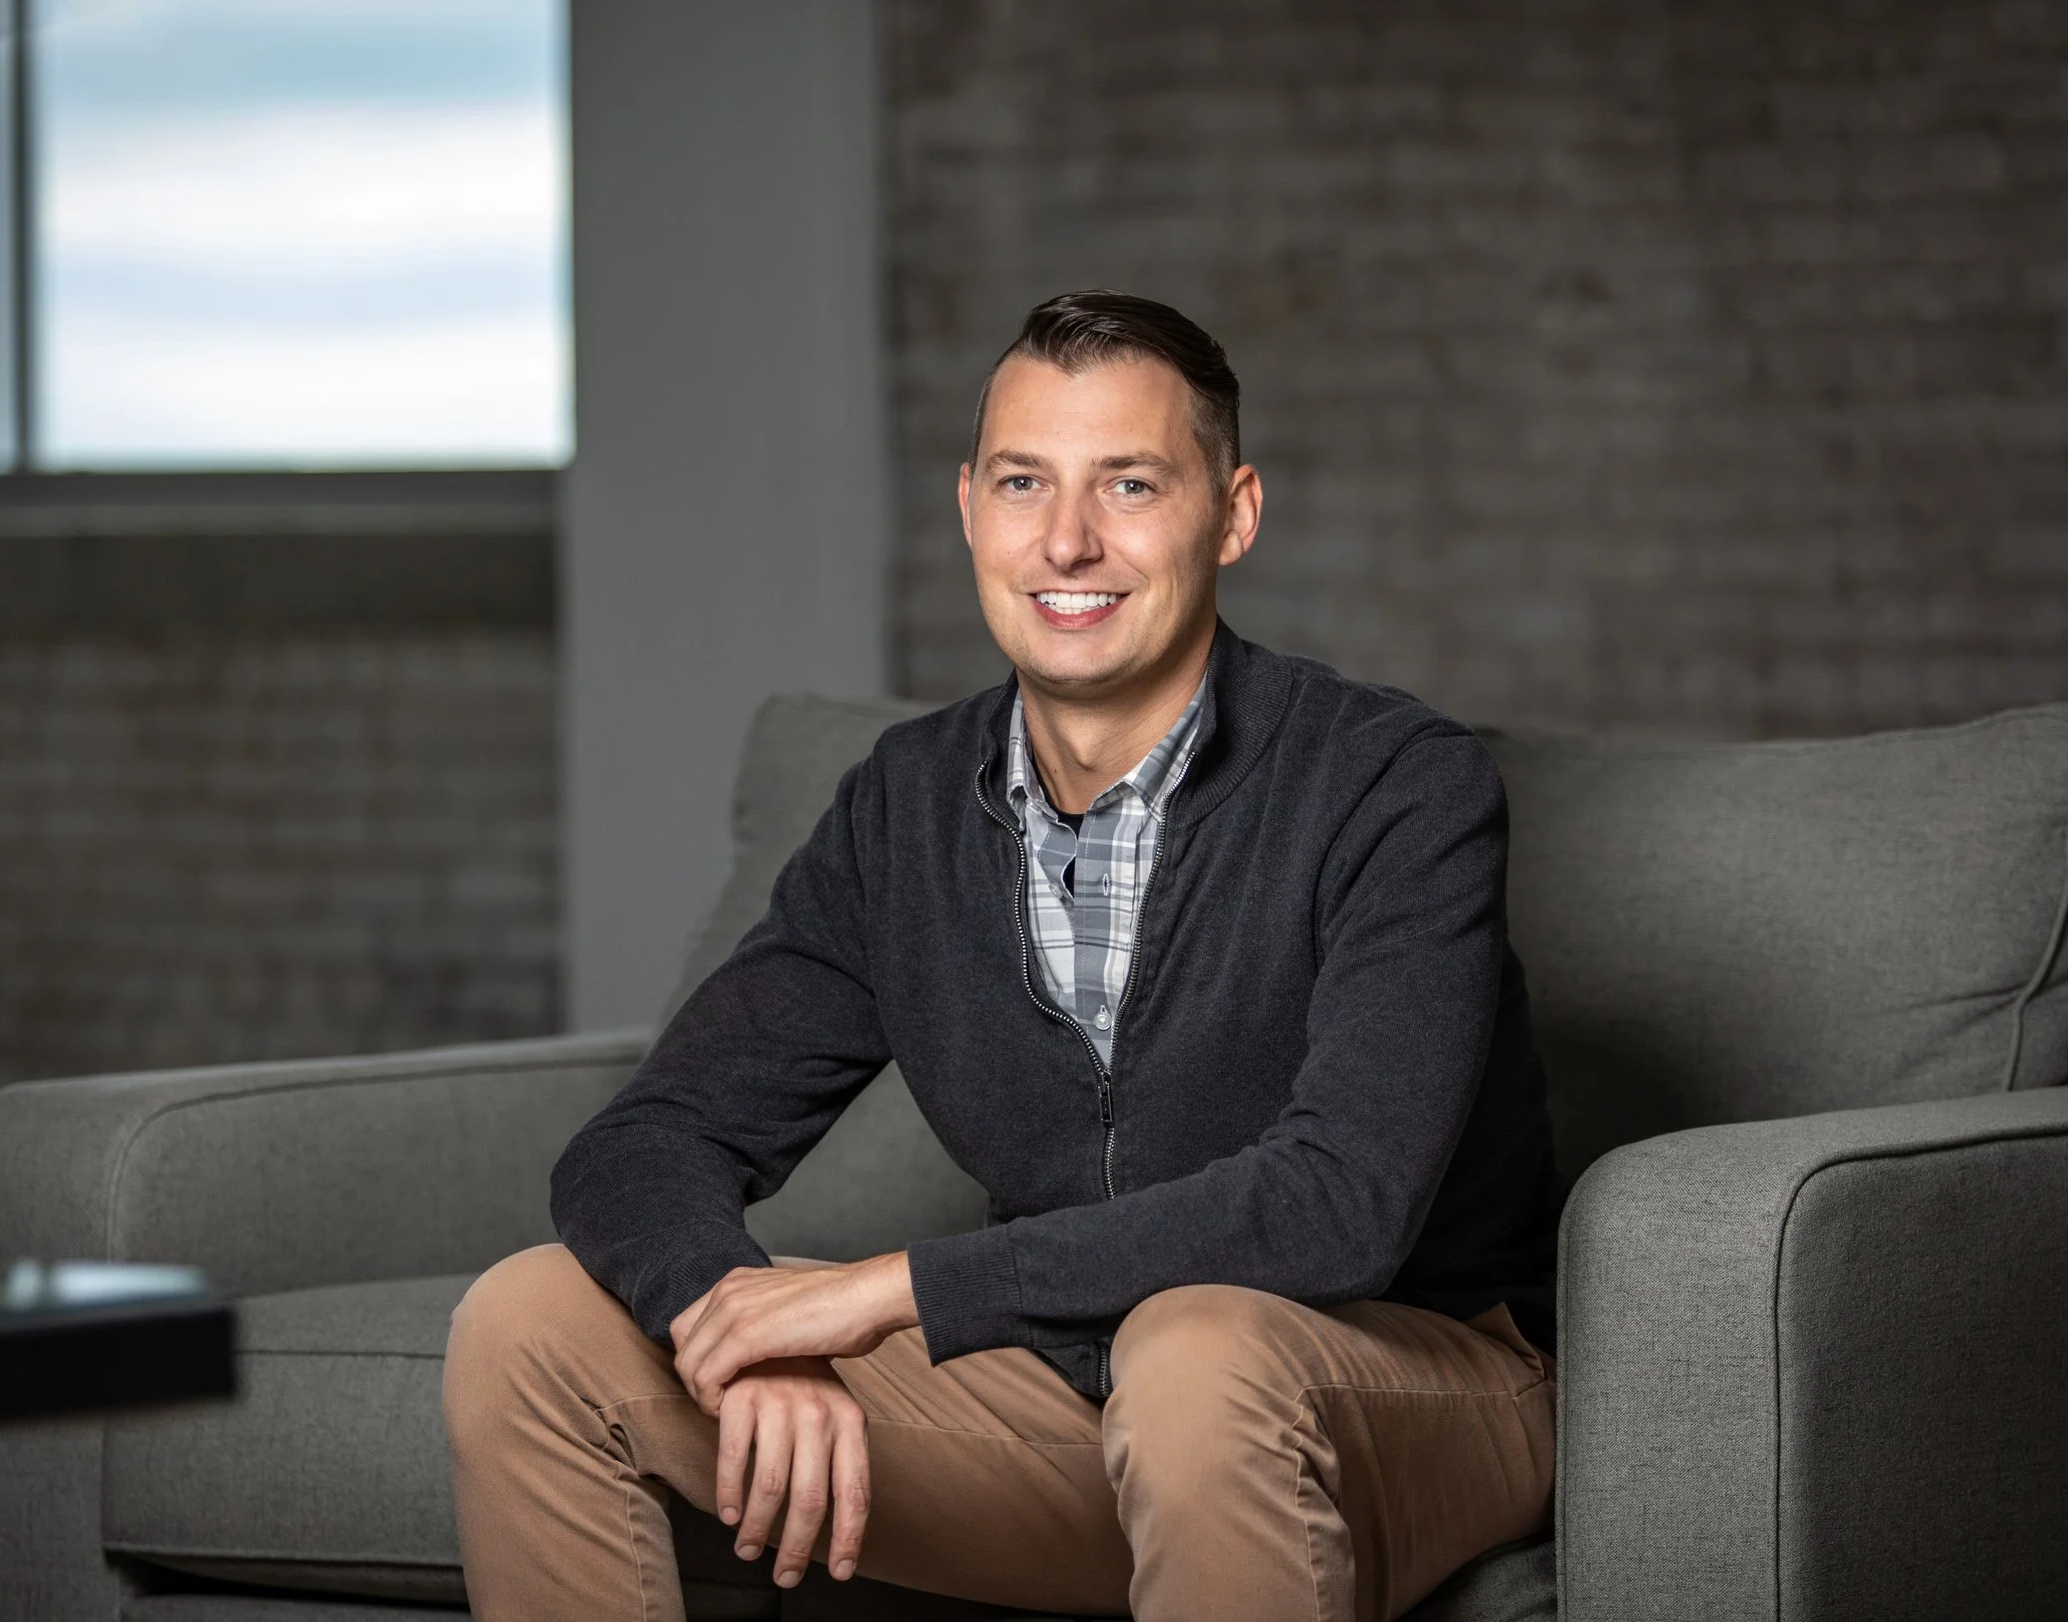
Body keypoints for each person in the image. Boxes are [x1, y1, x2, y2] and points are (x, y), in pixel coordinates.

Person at [446, 290, 1563, 1621]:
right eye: (1025, 482)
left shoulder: (1393, 784)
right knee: (531, 1320)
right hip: (1064, 1399)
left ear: (1235, 512)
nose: (1068, 538)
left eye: (1130, 483)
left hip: (1406, 1384)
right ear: (970, 508)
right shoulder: (904, 805)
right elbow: (650, 1136)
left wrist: (892, 1289)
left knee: (1193, 1348)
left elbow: (1338, 1203)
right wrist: (737, 1324)